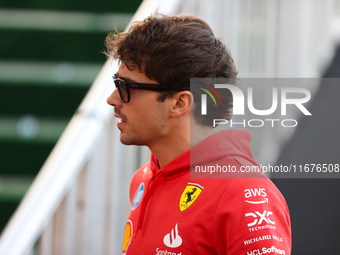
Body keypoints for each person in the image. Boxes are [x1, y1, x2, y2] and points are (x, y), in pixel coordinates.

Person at [106, 13, 291, 255]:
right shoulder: (143, 178)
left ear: (180, 103)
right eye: (116, 84)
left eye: (127, 88)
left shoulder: (243, 194)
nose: (113, 99)